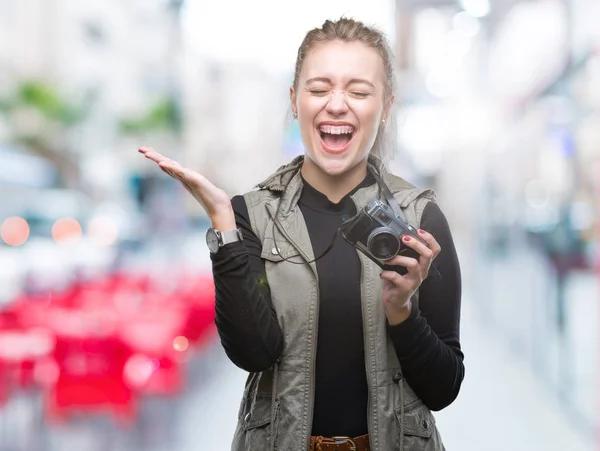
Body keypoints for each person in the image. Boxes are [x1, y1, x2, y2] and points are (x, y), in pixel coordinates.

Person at [139, 17, 464, 451]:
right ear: (295, 101)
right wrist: (223, 224)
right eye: (319, 88)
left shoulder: (420, 216)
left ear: (385, 106)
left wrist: (402, 309)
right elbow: (253, 353)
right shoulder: (249, 216)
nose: (336, 104)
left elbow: (443, 389)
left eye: (359, 91)